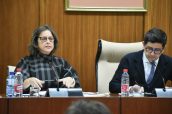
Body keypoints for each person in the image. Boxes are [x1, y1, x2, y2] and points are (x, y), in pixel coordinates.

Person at [16, 25, 81, 92]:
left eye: (51, 39)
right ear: (35, 42)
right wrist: (26, 82)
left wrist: (71, 80)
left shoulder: (61, 62)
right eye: (44, 39)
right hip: (35, 101)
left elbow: (76, 82)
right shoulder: (26, 62)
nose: (48, 41)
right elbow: (17, 85)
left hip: (59, 100)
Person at [109, 27, 172, 94]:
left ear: (163, 49)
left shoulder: (168, 62)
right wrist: (130, 89)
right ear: (143, 44)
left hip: (158, 103)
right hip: (134, 102)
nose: (152, 54)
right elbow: (113, 86)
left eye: (157, 50)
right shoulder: (129, 60)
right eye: (149, 49)